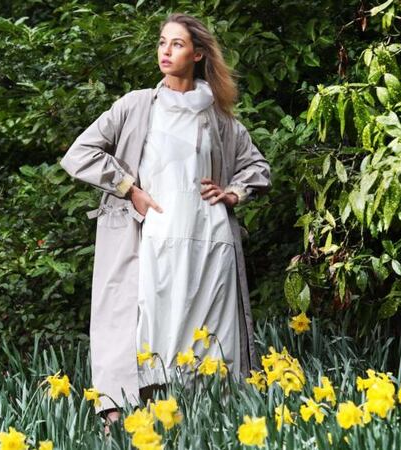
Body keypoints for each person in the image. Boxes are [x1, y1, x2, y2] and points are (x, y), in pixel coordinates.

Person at [59, 12, 271, 433]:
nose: (165, 51)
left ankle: (210, 428)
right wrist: (127, 187)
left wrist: (233, 192)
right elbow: (78, 154)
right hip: (151, 240)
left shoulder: (220, 117)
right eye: (161, 43)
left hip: (210, 242)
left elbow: (258, 168)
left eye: (176, 44)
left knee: (210, 339)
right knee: (146, 336)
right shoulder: (137, 106)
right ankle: (135, 426)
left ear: (197, 54)